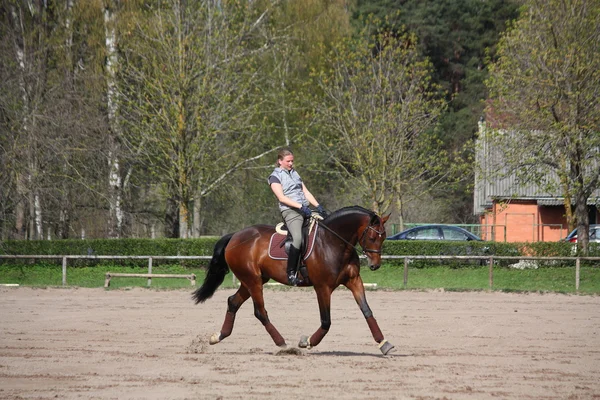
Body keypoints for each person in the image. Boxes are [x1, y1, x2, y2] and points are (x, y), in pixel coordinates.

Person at [268, 148, 327, 286]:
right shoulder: (274, 177)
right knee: (298, 238)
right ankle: (291, 273)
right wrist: (301, 207)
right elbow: (281, 198)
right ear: (280, 161)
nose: (291, 164)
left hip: (305, 209)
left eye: (292, 161)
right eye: (288, 161)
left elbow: (305, 192)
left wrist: (318, 206)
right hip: (291, 211)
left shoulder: (295, 173)